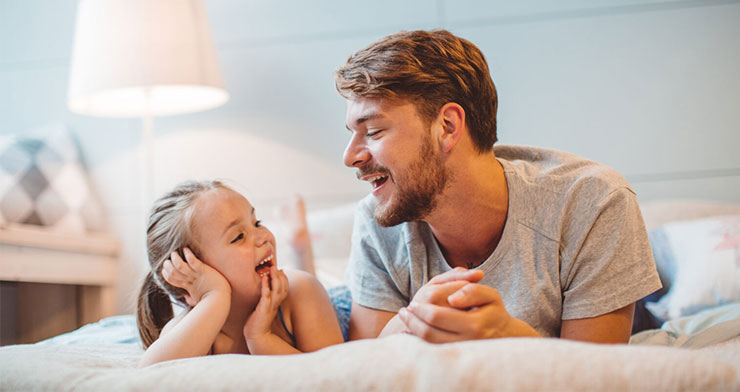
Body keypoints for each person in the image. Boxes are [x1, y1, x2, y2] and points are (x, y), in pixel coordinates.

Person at [334, 29, 662, 343]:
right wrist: (409, 323)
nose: (350, 157)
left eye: (374, 131)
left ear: (447, 127)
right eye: (351, 132)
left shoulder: (593, 201)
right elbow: (369, 367)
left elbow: (597, 377)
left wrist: (509, 338)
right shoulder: (378, 217)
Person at [136, 180, 343, 367]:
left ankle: (300, 244)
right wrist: (216, 296)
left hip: (336, 308)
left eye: (257, 223)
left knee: (316, 278)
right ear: (189, 276)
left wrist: (261, 339)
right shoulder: (192, 329)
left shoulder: (302, 290)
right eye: (238, 237)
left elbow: (330, 376)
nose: (263, 236)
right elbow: (151, 373)